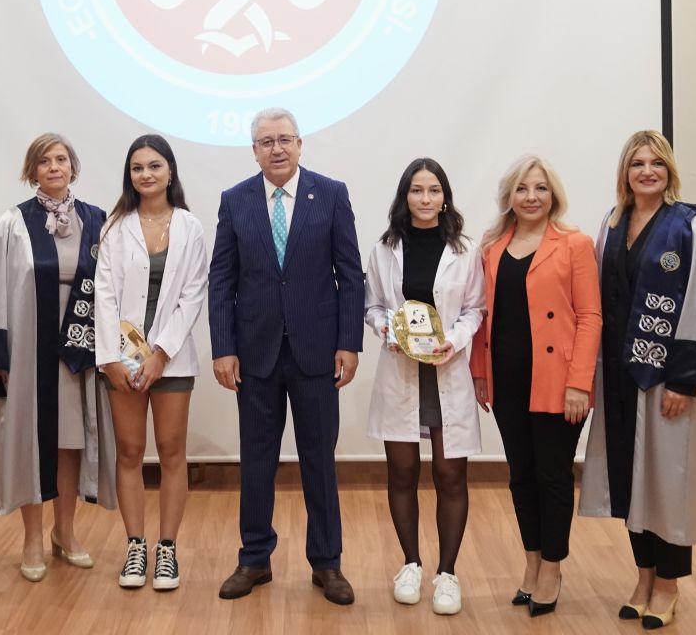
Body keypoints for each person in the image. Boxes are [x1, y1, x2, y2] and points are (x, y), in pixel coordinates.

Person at [208, 107, 365, 606]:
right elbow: (222, 281)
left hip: (317, 351)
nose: (276, 149)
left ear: (300, 144)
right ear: (253, 150)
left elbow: (350, 274)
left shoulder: (331, 194)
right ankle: (254, 557)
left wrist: (349, 342)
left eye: (284, 140)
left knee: (319, 460)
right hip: (254, 354)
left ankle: (327, 563)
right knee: (256, 460)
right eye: (265, 142)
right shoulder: (235, 201)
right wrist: (223, 347)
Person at [580, 131, 696, 630]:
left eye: (655, 163)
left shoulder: (690, 225)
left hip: (666, 377)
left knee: (669, 483)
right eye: (637, 163)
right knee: (630, 479)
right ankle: (642, 578)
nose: (646, 171)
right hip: (620, 375)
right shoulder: (613, 221)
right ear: (625, 171)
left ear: (668, 171)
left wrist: (686, 381)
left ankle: (668, 586)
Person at [0, 133, 117, 581]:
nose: (54, 167)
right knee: (34, 438)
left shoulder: (98, 221)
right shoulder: (13, 224)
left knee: (72, 440)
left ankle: (66, 532)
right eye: (44, 161)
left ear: (73, 167)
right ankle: (33, 537)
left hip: (80, 345)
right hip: (30, 346)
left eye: (61, 159)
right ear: (32, 170)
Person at [469, 155, 601, 617]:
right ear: (510, 196)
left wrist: (580, 383)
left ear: (553, 195)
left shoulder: (575, 244)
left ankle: (552, 567)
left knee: (553, 475)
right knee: (521, 476)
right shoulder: (491, 247)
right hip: (506, 382)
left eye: (540, 188)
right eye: (523, 189)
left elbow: (590, 316)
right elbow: (484, 317)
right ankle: (530, 564)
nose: (531, 197)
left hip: (558, 383)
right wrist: (480, 373)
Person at [363, 158, 485, 616]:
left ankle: (447, 573)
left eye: (434, 191)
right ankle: (411, 563)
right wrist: (388, 331)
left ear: (445, 197)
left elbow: (476, 309)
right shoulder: (384, 248)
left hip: (445, 371)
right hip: (401, 371)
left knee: (450, 474)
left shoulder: (465, 249)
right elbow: (373, 305)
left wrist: (452, 342)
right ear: (405, 197)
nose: (426, 199)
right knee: (402, 473)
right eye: (417, 191)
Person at [93, 135, 209, 592]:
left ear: (170, 172)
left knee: (172, 452)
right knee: (128, 452)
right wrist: (110, 360)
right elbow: (102, 295)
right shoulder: (114, 226)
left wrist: (161, 354)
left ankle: (167, 549)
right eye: (138, 167)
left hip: (172, 361)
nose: (146, 174)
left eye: (154, 166)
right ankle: (135, 546)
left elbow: (192, 294)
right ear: (130, 175)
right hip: (121, 362)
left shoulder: (189, 226)